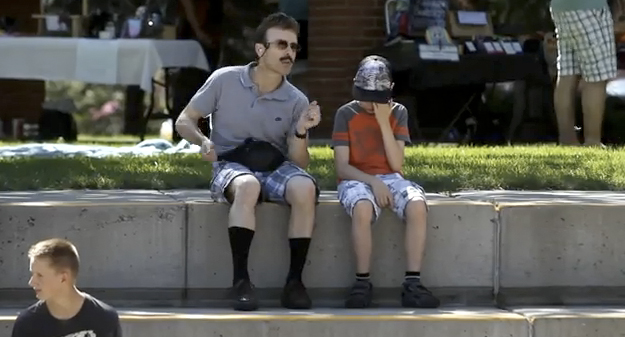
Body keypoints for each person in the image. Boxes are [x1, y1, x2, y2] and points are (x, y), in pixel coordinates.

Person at [175, 12, 321, 311]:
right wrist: (203, 140)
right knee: (248, 186)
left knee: (305, 188)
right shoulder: (225, 79)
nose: (289, 53)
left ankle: (294, 282)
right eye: (281, 45)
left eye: (293, 47)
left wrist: (301, 131)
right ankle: (240, 281)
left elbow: (299, 161)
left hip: (276, 165)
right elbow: (185, 120)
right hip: (231, 163)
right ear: (260, 49)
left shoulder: (297, 100)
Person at [331, 55, 440, 309]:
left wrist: (383, 121)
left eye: (378, 99)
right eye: (366, 97)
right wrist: (372, 182)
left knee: (416, 204)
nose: (372, 104)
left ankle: (413, 283)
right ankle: (362, 282)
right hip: (356, 177)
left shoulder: (397, 112)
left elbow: (396, 164)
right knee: (362, 207)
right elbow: (342, 166)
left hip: (391, 176)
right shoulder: (345, 114)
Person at [11, 238, 122, 337]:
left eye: (40, 275)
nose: (31, 282)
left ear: (63, 278)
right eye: (33, 274)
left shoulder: (105, 319)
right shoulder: (27, 324)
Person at [550, 0, 617, 146]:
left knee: (567, 73)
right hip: (589, 7)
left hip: (560, 7)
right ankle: (592, 141)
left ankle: (567, 140)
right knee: (597, 78)